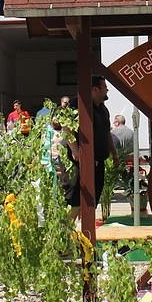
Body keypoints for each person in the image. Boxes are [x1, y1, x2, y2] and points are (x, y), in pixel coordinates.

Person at [65, 77, 118, 221]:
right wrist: (75, 150)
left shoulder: (103, 109)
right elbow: (66, 127)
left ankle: (84, 228)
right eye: (104, 87)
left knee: (92, 199)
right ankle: (66, 228)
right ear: (95, 89)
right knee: (76, 199)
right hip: (80, 162)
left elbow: (107, 133)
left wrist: (114, 153)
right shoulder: (77, 104)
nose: (107, 90)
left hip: (99, 161)